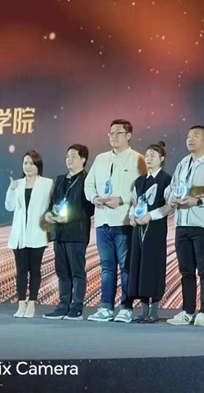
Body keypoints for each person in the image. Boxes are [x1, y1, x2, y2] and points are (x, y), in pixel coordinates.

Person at [85, 119, 146, 323]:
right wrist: (94, 198)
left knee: (126, 267)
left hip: (124, 221)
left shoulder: (137, 159)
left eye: (118, 133)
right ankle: (106, 307)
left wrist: (121, 199)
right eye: (110, 133)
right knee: (106, 267)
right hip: (102, 220)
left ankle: (126, 307)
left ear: (128, 135)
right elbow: (89, 184)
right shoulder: (101, 159)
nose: (113, 137)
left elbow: (143, 189)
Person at [166, 126, 204, 327]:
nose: (190, 139)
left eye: (196, 136)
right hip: (182, 223)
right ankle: (188, 311)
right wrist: (171, 198)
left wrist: (198, 201)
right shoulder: (182, 163)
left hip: (203, 224)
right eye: (189, 136)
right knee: (186, 270)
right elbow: (171, 188)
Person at [43, 144, 95, 320]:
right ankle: (63, 305)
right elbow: (53, 203)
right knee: (62, 271)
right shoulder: (60, 180)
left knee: (77, 271)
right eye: (67, 156)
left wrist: (69, 217)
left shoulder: (87, 180)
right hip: (59, 232)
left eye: (73, 156)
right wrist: (49, 214)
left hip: (77, 232)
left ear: (83, 159)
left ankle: (76, 307)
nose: (69, 160)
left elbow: (89, 209)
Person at [127, 141, 174, 323]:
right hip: (138, 229)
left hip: (155, 228)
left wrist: (151, 216)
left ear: (162, 158)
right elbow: (134, 202)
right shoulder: (140, 181)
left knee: (153, 266)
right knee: (139, 266)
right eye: (147, 155)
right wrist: (132, 216)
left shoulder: (166, 180)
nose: (148, 158)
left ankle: (154, 310)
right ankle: (144, 310)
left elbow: (169, 205)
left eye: (153, 155)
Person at [5, 150, 53, 318]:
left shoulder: (47, 183)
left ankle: (31, 303)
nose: (28, 166)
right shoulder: (17, 184)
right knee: (21, 271)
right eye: (25, 163)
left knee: (35, 270)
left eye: (32, 163)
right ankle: (21, 304)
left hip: (37, 233)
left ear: (38, 165)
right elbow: (9, 207)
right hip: (19, 235)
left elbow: (51, 206)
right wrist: (11, 190)